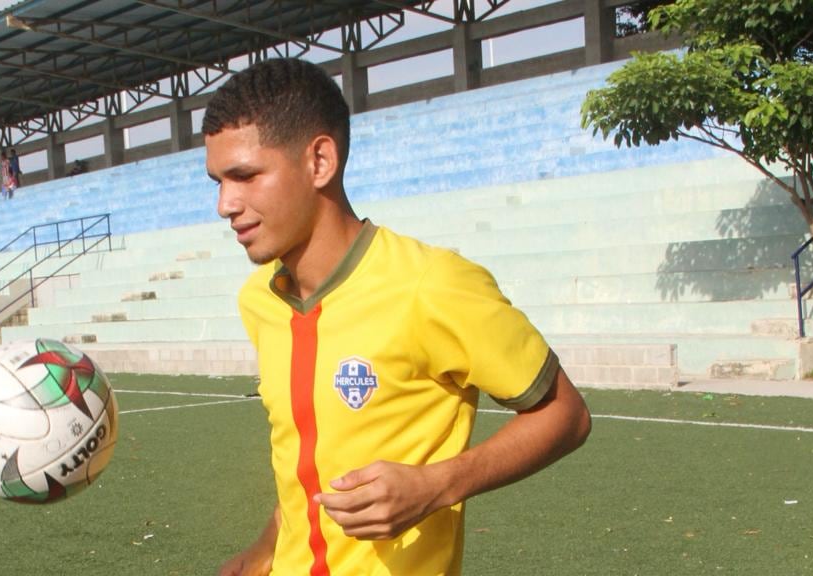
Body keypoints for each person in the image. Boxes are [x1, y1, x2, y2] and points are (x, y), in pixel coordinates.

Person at [203, 58, 592, 576]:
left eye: (246, 176)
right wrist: (265, 547)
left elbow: (566, 415)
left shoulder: (432, 284)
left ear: (319, 161)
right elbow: (308, 465)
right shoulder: (260, 300)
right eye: (218, 181)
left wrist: (435, 487)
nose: (225, 203)